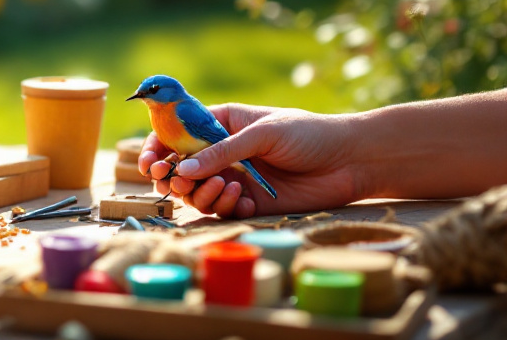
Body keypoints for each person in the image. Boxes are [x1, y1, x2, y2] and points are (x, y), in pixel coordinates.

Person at [137, 88, 507, 219]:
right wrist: (350, 158)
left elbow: (216, 139)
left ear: (166, 94)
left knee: (205, 169)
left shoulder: (181, 111)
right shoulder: (161, 116)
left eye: (150, 91)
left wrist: (219, 155)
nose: (144, 97)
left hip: (217, 146)